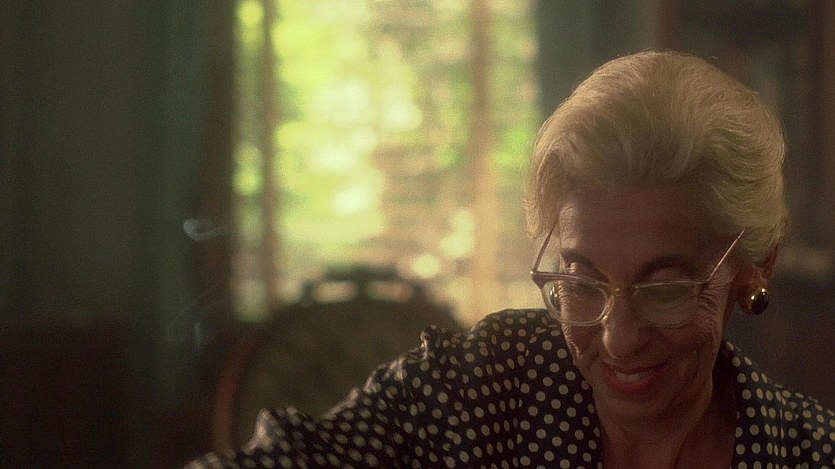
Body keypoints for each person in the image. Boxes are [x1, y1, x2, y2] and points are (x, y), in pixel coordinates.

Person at [187, 51, 835, 468]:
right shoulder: (483, 386)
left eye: (663, 287)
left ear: (756, 264)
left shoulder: (808, 451)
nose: (617, 338)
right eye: (581, 281)